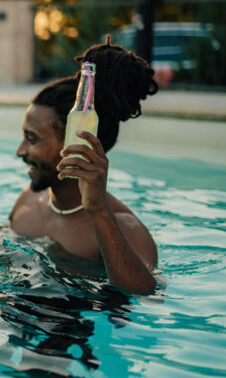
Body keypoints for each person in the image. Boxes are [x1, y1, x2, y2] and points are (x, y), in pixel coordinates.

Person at [9, 41, 159, 294]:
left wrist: (98, 209)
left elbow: (145, 295)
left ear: (76, 143)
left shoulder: (125, 228)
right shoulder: (28, 200)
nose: (20, 151)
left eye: (32, 139)